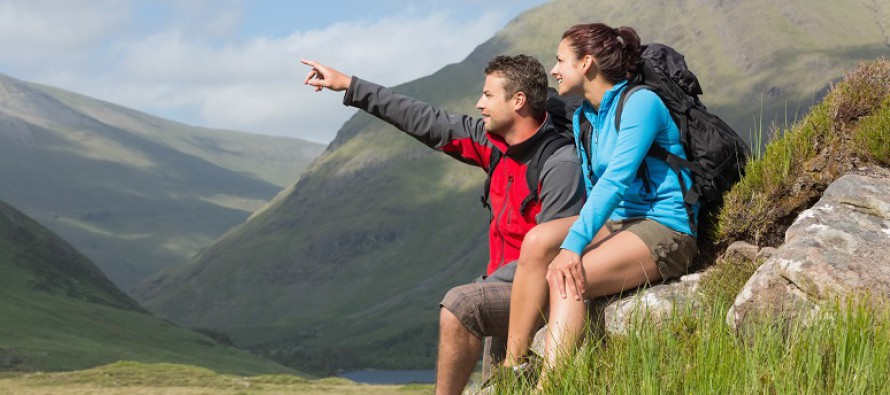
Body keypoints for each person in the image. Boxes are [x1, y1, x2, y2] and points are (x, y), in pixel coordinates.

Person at [301, 54, 585, 394]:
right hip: (500, 287)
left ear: (518, 101)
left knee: (461, 305)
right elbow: (425, 120)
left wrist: (489, 286)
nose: (480, 104)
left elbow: (552, 255)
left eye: (489, 96)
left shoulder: (560, 164)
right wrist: (350, 85)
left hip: (536, 292)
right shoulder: (493, 145)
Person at [501, 22, 700, 380]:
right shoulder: (583, 118)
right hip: (620, 224)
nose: (554, 70)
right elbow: (594, 192)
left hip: (666, 225)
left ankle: (550, 386)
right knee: (537, 241)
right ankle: (513, 367)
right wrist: (573, 240)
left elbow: (616, 180)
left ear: (586, 63)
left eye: (561, 60)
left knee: (565, 276)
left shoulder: (641, 103)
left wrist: (574, 247)